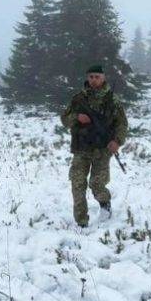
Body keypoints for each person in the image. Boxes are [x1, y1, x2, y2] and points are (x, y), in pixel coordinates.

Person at [60, 64, 128, 226]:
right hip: (81, 147)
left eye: (97, 77)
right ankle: (81, 221)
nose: (94, 80)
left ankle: (105, 205)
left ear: (103, 78)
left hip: (102, 149)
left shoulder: (112, 100)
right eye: (91, 77)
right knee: (77, 183)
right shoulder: (78, 99)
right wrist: (77, 117)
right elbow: (64, 119)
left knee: (97, 184)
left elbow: (122, 124)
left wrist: (116, 141)